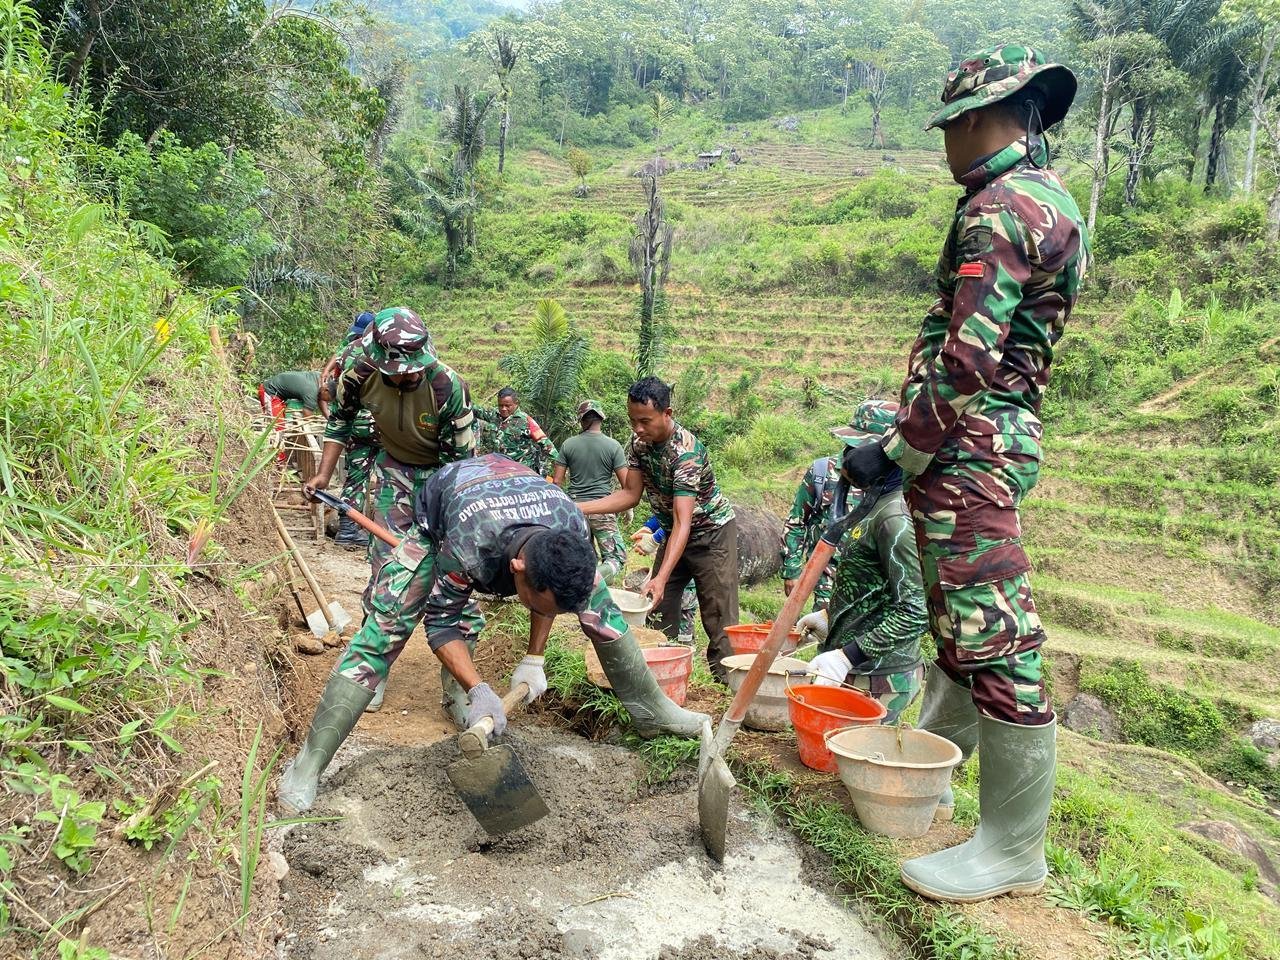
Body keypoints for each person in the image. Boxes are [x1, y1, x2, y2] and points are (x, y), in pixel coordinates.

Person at [840, 45, 1090, 903]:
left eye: (949, 127)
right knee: (958, 622)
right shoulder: (1045, 196)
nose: (946, 144)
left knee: (995, 636)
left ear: (978, 119)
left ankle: (1012, 849)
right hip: (983, 441)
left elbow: (969, 357)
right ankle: (929, 773)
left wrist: (896, 449)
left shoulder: (1000, 206)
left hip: (969, 445)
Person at [278, 454, 710, 812]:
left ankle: (652, 711)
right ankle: (309, 765)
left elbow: (551, 599)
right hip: (450, 509)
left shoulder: (572, 530)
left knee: (599, 605)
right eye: (539, 603)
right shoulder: (468, 546)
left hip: (526, 502)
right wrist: (481, 688)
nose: (547, 611)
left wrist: (534, 659)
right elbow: (441, 623)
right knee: (386, 628)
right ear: (518, 570)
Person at [303, 307, 479, 720]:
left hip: (445, 478)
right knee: (386, 571)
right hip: (394, 472)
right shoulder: (358, 373)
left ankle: (458, 688)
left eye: (412, 369)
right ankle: (371, 672)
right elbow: (340, 422)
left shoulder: (447, 386)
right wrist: (324, 475)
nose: (406, 377)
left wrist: (446, 524)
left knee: (453, 574)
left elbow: (461, 468)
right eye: (397, 372)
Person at [579, 377, 739, 681]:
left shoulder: (686, 453)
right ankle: (660, 675)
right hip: (674, 531)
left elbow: (683, 521)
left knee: (719, 613)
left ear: (667, 413)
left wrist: (662, 575)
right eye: (632, 420)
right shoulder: (639, 443)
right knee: (655, 603)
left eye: (645, 421)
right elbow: (630, 495)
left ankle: (726, 684)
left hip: (711, 535)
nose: (638, 428)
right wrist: (579, 507)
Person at [795, 400, 928, 724]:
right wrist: (830, 617)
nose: (846, 456)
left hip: (879, 678)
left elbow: (915, 611)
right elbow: (873, 588)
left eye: (855, 448)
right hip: (860, 671)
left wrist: (848, 656)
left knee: (861, 752)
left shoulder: (893, 520)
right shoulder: (873, 506)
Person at [552, 400, 627, 583]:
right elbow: (627, 484)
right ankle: (592, 581)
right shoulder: (613, 446)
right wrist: (627, 508)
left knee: (582, 558)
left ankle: (584, 584)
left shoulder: (569, 444)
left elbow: (557, 482)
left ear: (581, 420)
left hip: (575, 510)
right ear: (601, 418)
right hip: (603, 508)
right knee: (616, 558)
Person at [632, 518, 698, 645]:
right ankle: (662, 641)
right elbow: (669, 512)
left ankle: (685, 646)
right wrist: (649, 526)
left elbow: (687, 518)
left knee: (685, 607)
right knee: (663, 605)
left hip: (695, 546)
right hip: (673, 547)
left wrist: (655, 539)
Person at [474, 387, 559, 474]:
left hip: (520, 471)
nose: (503, 409)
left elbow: (547, 445)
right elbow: (473, 409)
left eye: (507, 406)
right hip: (499, 468)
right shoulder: (494, 415)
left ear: (516, 403)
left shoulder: (526, 421)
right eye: (500, 405)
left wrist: (558, 468)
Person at [258, 370, 330, 419]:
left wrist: (329, 419)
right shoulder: (312, 392)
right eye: (328, 399)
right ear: (326, 390)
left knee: (279, 424)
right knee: (278, 428)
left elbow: (322, 401)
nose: (327, 401)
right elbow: (307, 415)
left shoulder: (321, 378)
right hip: (270, 392)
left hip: (278, 395)